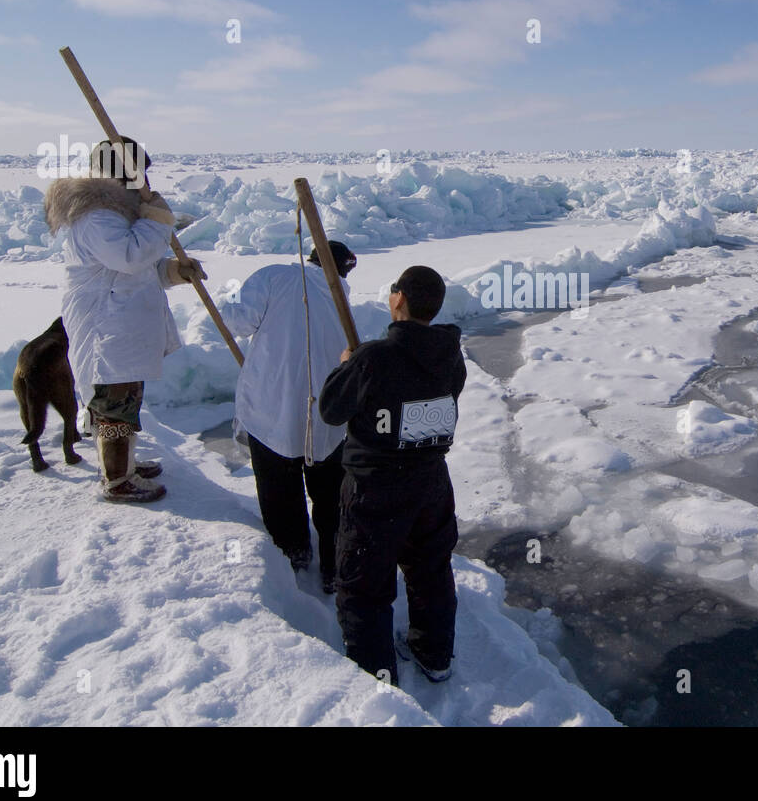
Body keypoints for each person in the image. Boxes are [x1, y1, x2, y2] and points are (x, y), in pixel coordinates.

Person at [318, 265, 466, 685]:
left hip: (374, 488)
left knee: (364, 583)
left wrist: (347, 366)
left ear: (398, 299)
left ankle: (376, 679)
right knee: (431, 568)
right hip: (432, 480)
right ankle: (435, 655)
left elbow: (331, 410)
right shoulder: (450, 352)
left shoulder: (374, 356)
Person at [44, 137, 205, 502]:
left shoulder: (115, 213)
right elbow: (130, 256)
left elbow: (135, 272)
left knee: (125, 398)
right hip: (107, 325)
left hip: (121, 319)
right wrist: (159, 220)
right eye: (141, 172)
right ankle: (117, 479)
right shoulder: (96, 216)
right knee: (113, 402)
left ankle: (124, 463)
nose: (146, 180)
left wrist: (174, 272)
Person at [220, 242, 357, 592]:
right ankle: (334, 566)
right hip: (328, 417)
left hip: (272, 411)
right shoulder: (340, 296)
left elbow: (234, 319)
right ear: (341, 270)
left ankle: (292, 554)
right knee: (330, 494)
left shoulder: (273, 276)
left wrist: (230, 293)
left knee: (279, 489)